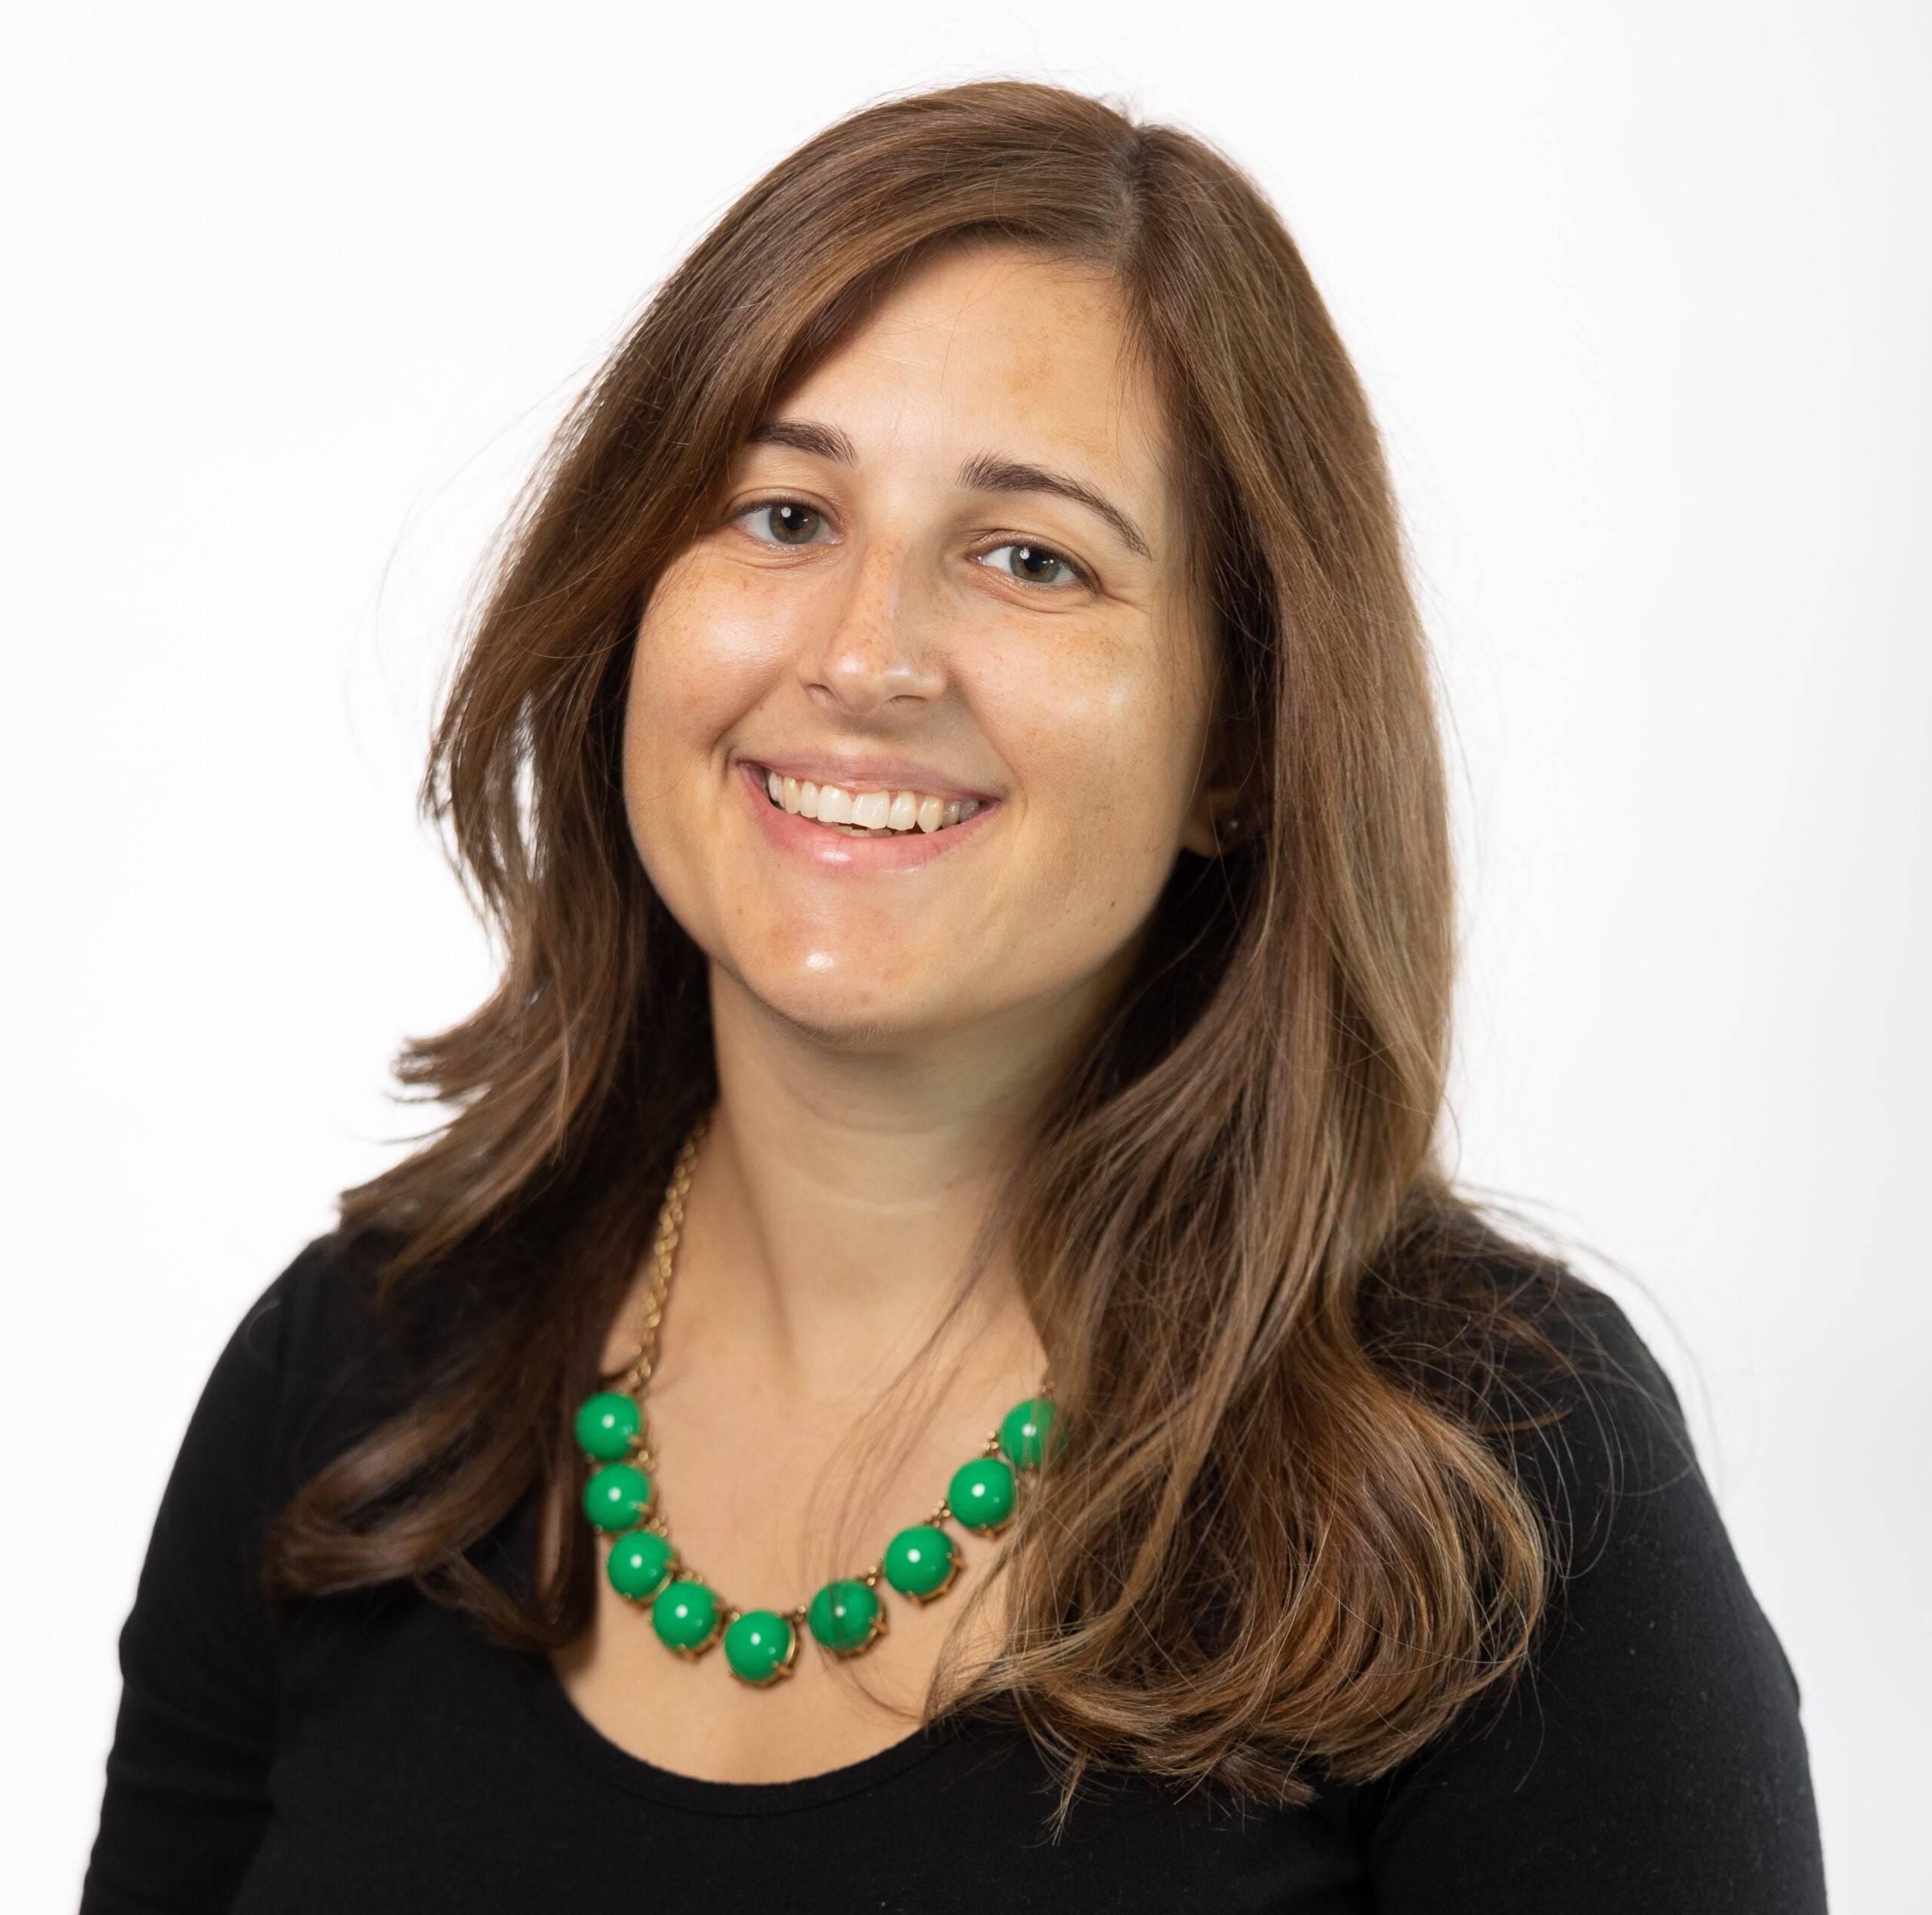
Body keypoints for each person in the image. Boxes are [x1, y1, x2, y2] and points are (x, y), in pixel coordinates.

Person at [82, 82, 1826, 1913]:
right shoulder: (355, 1381)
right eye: (780, 513)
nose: (864, 657)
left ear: (1243, 738)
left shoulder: (1500, 1481)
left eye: (1029, 557)